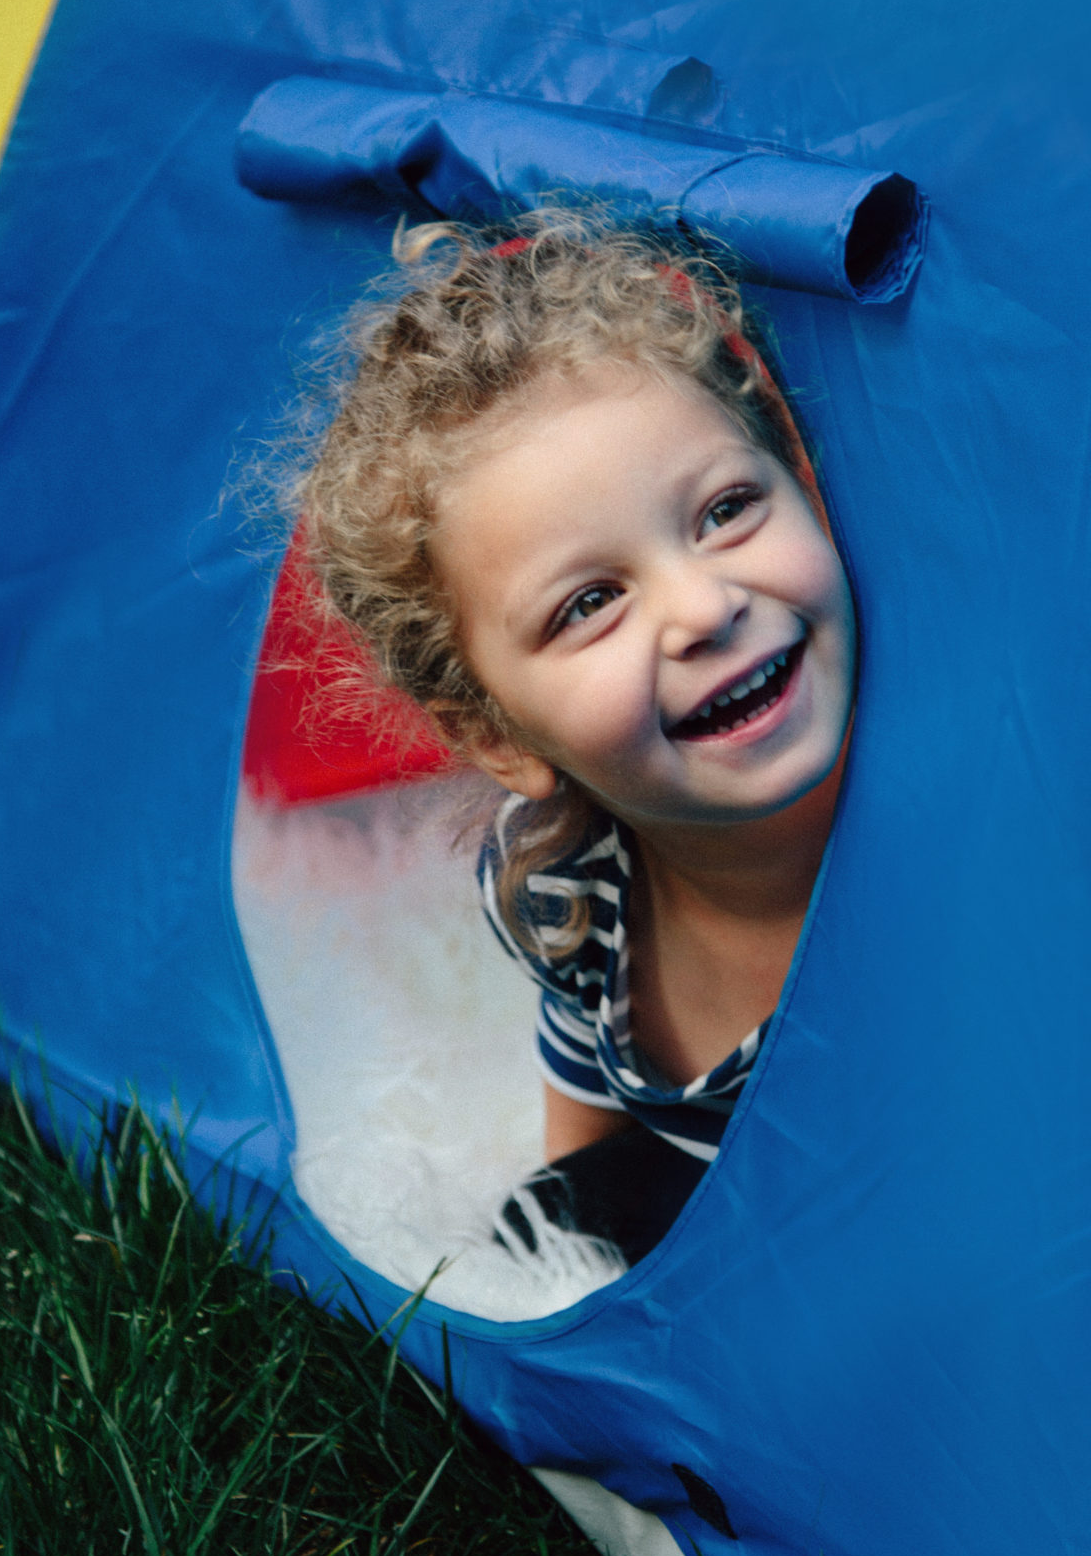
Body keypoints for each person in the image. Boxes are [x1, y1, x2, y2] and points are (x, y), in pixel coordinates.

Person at [295, 209, 857, 1270]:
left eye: (727, 509)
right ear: (499, 737)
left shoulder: (950, 832)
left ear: (811, 490)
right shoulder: (566, 890)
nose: (703, 607)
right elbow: (590, 1206)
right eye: (590, 602)